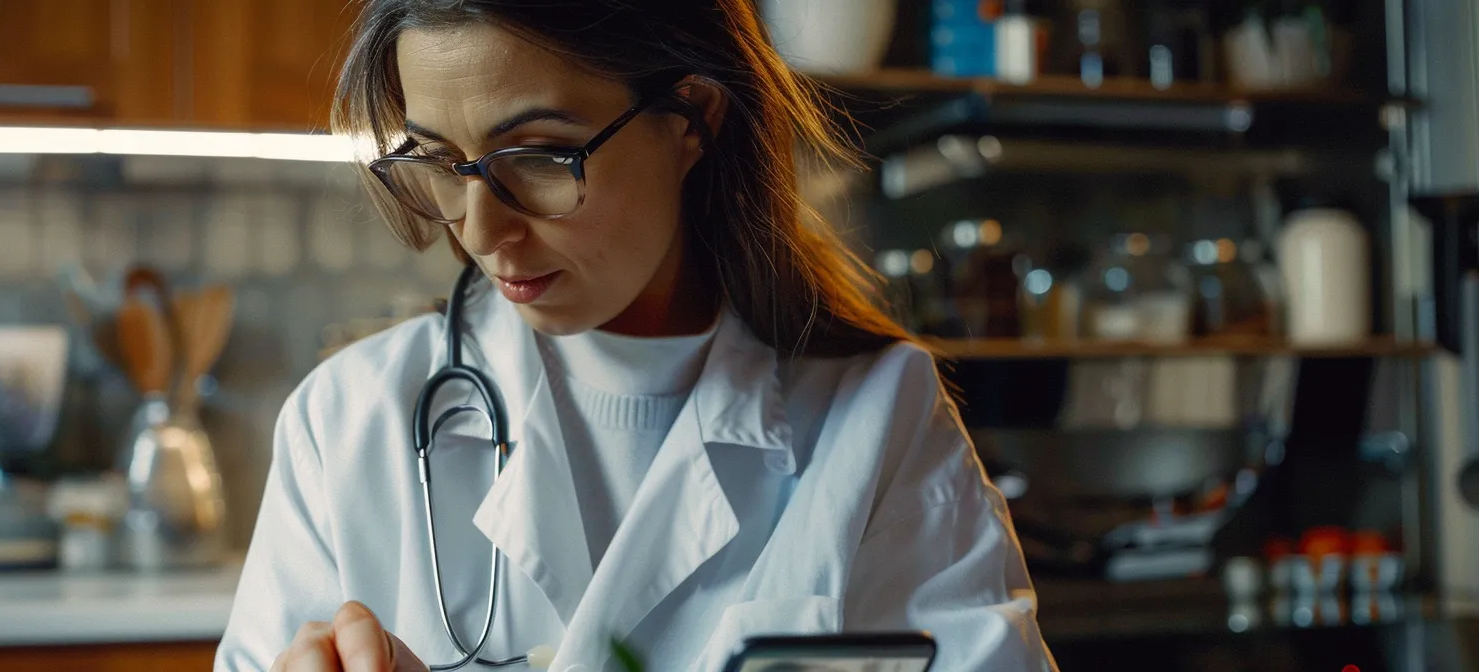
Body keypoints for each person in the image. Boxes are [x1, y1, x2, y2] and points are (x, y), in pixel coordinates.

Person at [216, 1, 1054, 670]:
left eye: (541, 156)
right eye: (439, 161)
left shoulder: (877, 417)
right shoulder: (347, 420)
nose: (481, 230)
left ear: (691, 119)